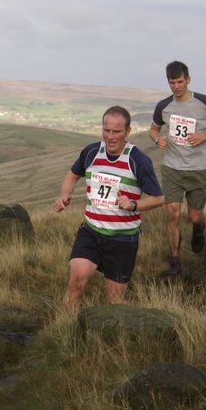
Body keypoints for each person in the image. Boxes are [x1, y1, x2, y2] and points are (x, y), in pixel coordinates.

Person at [53, 106, 164, 310]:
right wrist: (64, 196)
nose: (110, 137)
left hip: (123, 239)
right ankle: (66, 325)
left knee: (114, 302)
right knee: (75, 282)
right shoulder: (91, 152)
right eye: (106, 130)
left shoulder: (138, 160)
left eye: (116, 131)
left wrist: (134, 204)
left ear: (127, 131)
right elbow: (73, 175)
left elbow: (159, 198)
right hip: (91, 231)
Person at [148, 61, 206, 275]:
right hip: (172, 168)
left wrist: (204, 135)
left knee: (194, 216)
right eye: (172, 82)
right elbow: (153, 130)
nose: (176, 86)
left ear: (188, 80)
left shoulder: (204, 103)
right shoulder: (163, 106)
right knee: (172, 215)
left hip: (199, 168)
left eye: (180, 82)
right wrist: (157, 139)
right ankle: (175, 262)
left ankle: (198, 229)